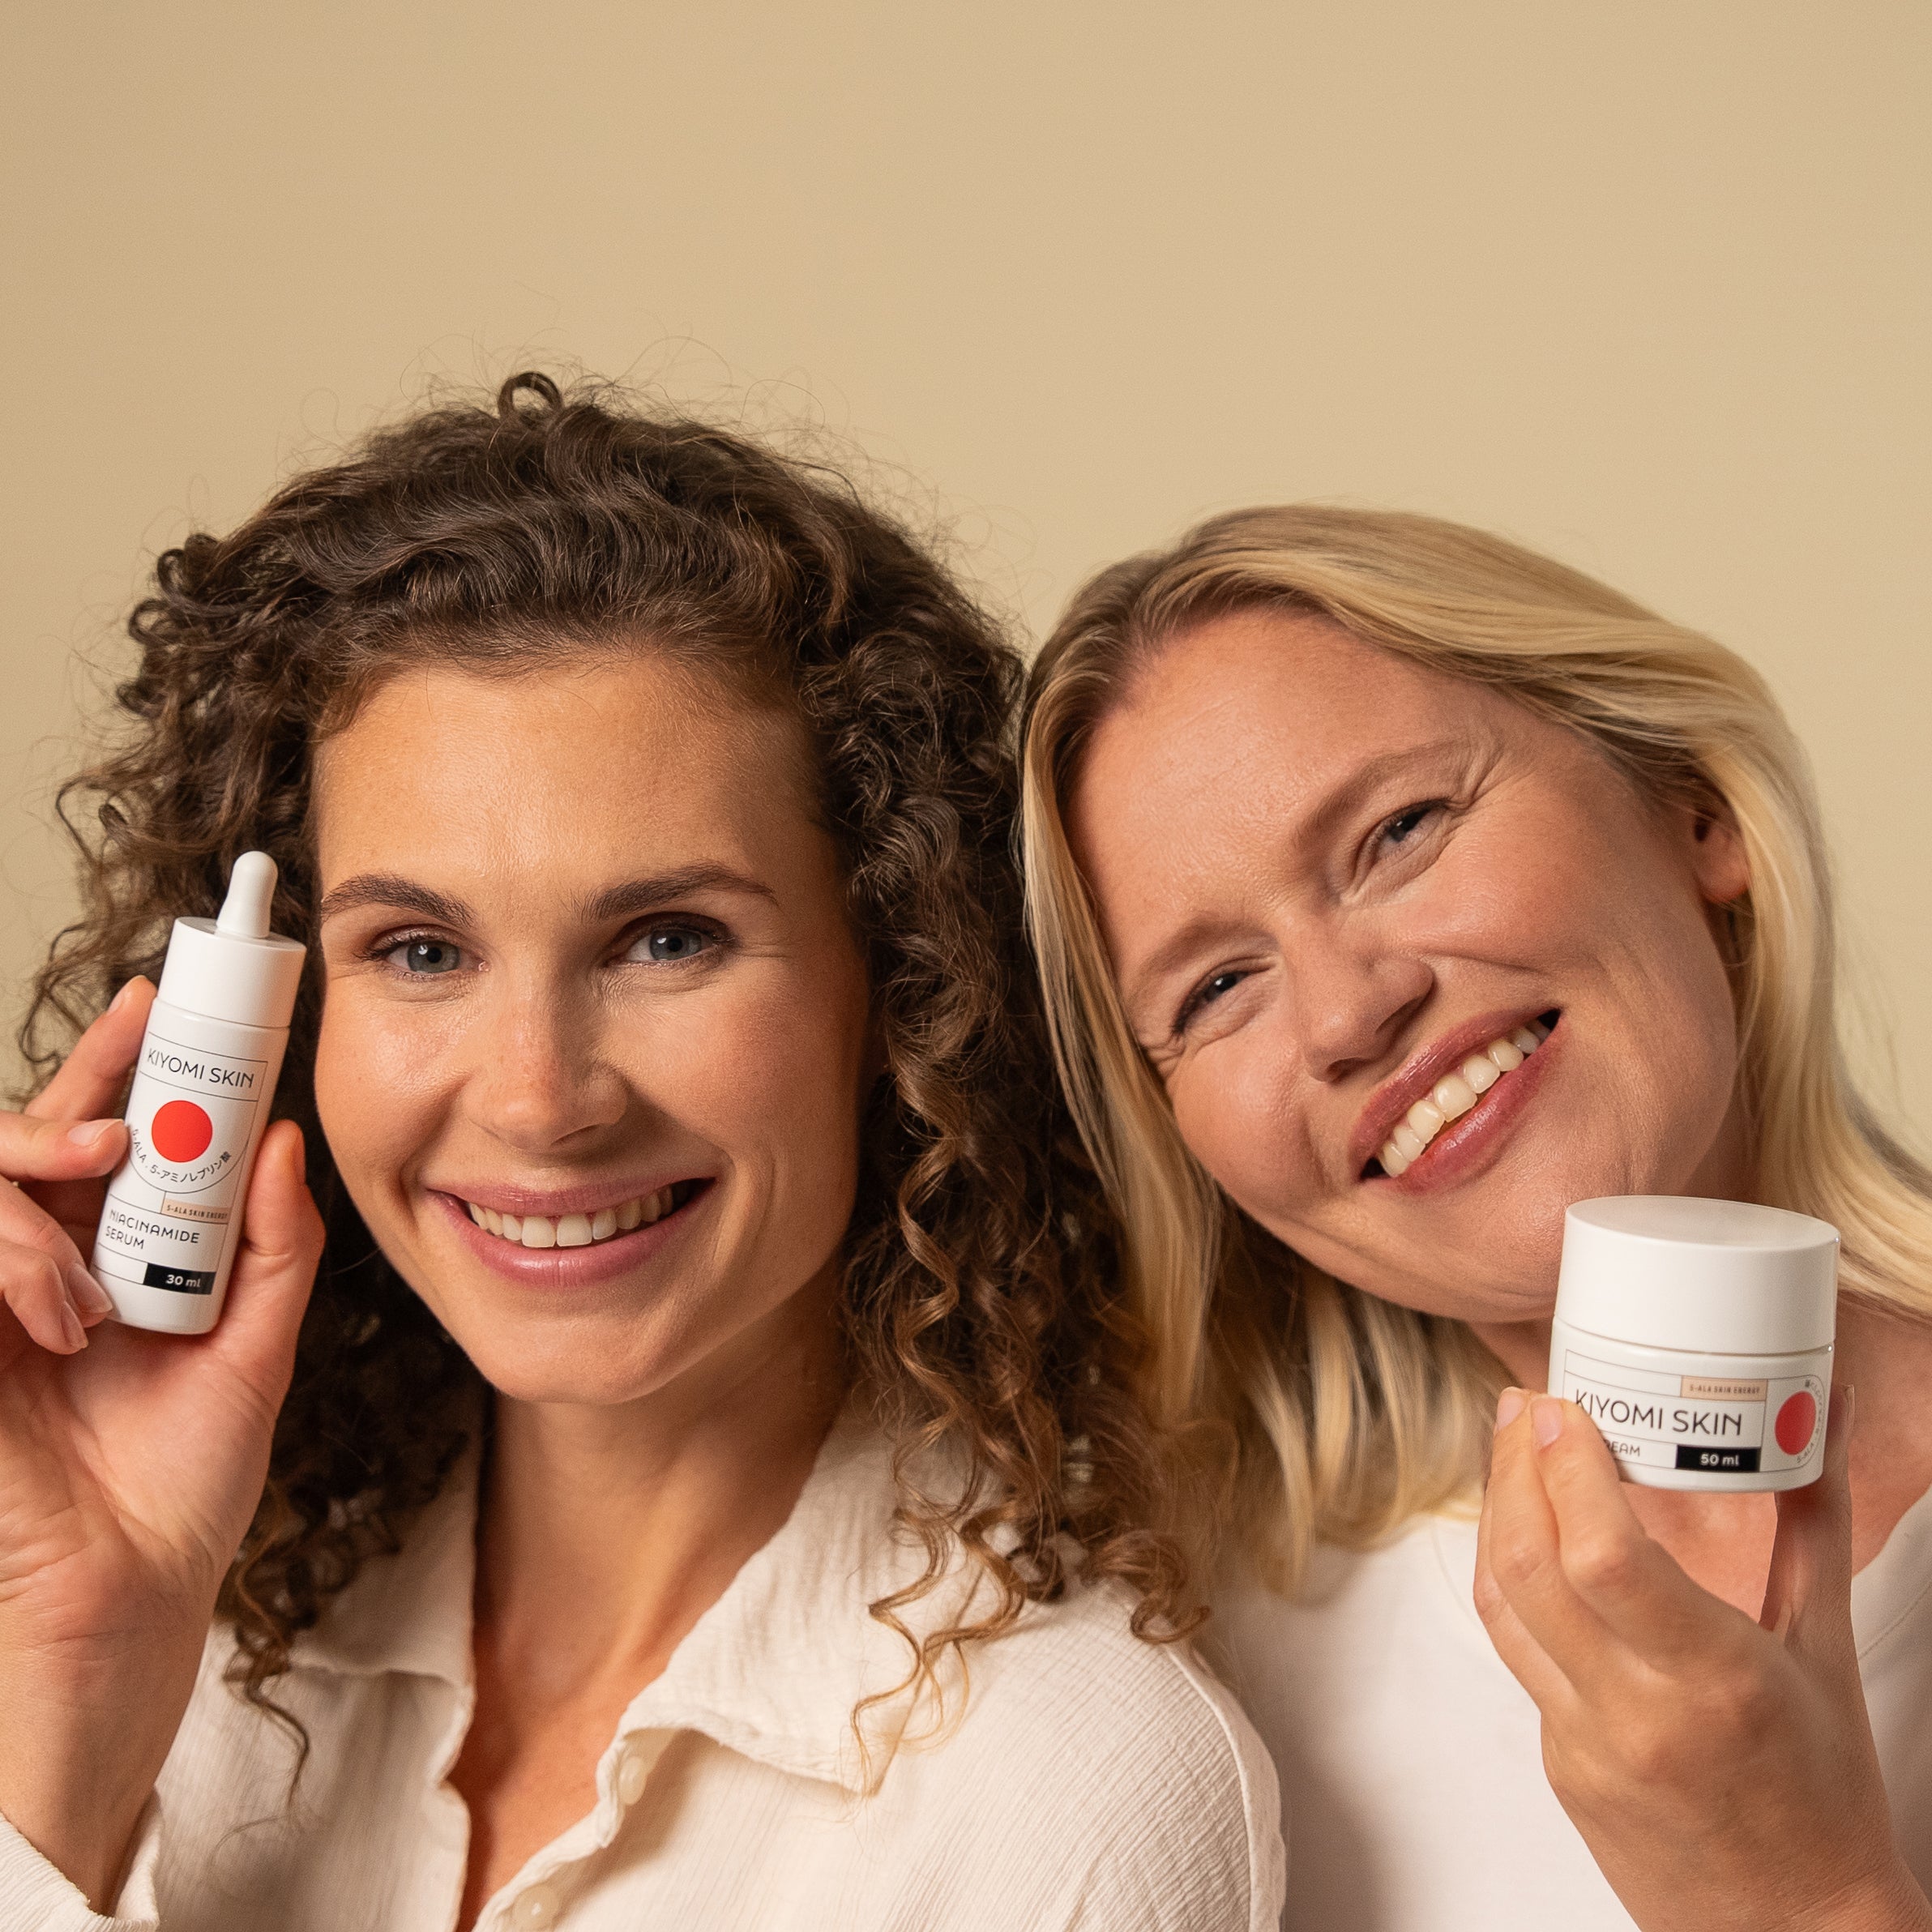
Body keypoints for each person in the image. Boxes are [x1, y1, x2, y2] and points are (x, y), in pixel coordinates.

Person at [0, 376, 1283, 1932]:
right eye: (417, 951)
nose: (542, 1102)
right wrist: (74, 1684)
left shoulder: (1067, 1789)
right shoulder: (163, 1632)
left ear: (910, 986)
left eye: (668, 938)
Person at [1019, 504, 1932, 1932]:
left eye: (1399, 831)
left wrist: (1802, 1897)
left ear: (1690, 803)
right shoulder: (1196, 1685)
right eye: (1212, 989)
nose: (1347, 1009)